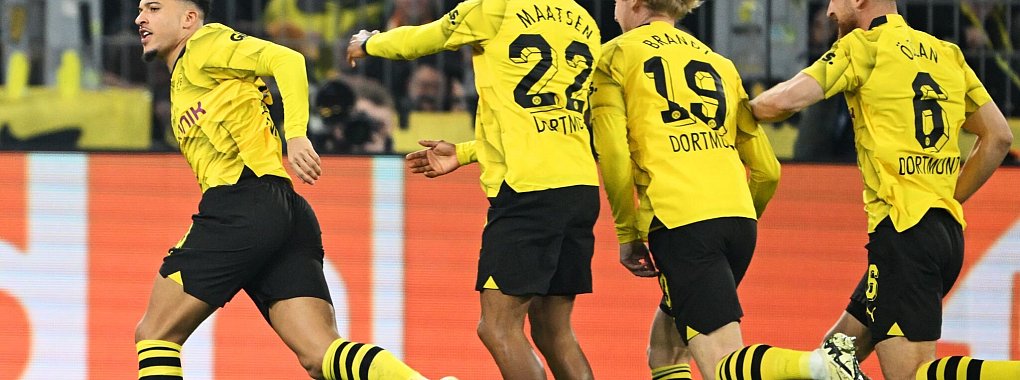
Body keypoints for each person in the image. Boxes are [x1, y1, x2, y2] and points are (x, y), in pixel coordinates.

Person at [131, 1, 437, 379]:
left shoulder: (203, 45)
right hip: (282, 209)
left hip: (241, 205)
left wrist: (296, 135)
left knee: (155, 333)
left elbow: (288, 61)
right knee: (321, 354)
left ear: (189, 20)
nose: (139, 18)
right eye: (141, 9)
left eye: (154, 8)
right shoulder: (190, 75)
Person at [591, 1, 866, 380]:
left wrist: (628, 233)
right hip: (737, 219)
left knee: (724, 365)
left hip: (681, 219)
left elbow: (615, 154)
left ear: (636, 3)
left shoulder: (613, 56)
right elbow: (768, 170)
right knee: (666, 347)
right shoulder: (719, 63)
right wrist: (735, 215)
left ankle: (819, 367)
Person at [750, 0, 1016, 379]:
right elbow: (998, 137)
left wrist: (734, 109)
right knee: (832, 361)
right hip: (942, 236)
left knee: (912, 375)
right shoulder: (947, 53)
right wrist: (944, 197)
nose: (828, 10)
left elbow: (783, 101)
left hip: (903, 239)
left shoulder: (864, 46)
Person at [347, 0, 603, 377]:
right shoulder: (584, 21)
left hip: (527, 190)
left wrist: (370, 43)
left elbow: (423, 38)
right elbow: (538, 120)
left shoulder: (493, 7)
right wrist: (466, 152)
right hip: (579, 184)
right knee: (554, 332)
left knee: (498, 327)